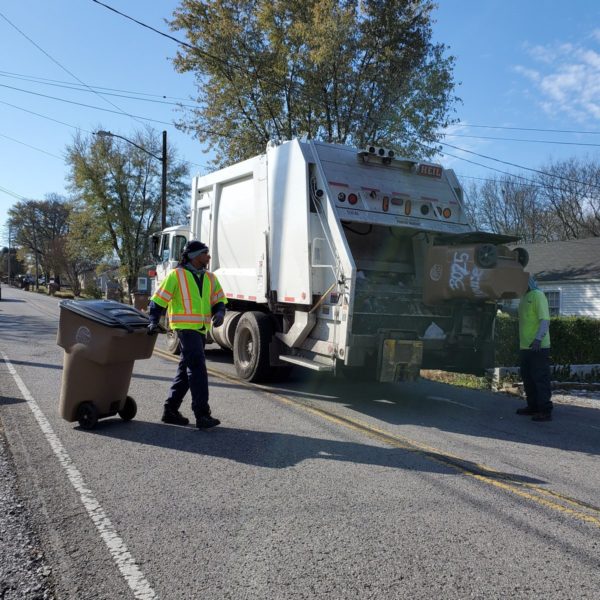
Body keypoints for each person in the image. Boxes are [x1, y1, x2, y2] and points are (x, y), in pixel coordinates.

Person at [147, 240, 227, 429]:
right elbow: (158, 300)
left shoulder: (210, 277)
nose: (208, 256)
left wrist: (220, 312)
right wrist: (153, 320)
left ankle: (170, 410)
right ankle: (202, 414)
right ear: (194, 256)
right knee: (197, 367)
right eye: (205, 253)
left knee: (185, 371)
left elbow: (219, 299)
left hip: (200, 328)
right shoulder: (176, 275)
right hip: (183, 328)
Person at [516, 276, 553, 421]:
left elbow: (545, 320)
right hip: (525, 347)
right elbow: (519, 315)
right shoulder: (524, 298)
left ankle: (545, 410)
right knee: (528, 379)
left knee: (540, 379)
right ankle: (533, 407)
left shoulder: (538, 295)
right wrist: (500, 308)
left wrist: (538, 339)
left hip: (538, 346)